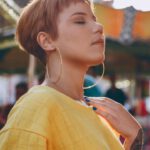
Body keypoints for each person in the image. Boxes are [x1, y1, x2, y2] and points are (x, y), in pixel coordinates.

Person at [0, 0, 143, 149]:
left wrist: (134, 136)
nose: (99, 27)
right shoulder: (36, 105)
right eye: (80, 21)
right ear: (47, 41)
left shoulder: (97, 115)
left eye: (94, 20)